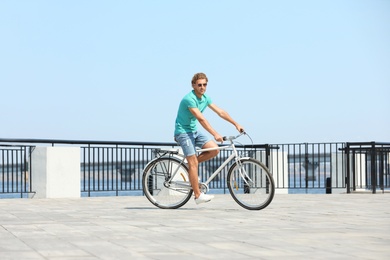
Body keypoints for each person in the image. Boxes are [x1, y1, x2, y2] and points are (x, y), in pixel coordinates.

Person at [174, 72, 244, 204]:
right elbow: (201, 119)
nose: (202, 87)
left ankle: (191, 167)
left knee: (214, 150)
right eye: (199, 85)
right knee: (193, 162)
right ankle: (197, 196)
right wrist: (215, 133)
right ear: (193, 85)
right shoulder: (189, 99)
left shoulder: (205, 98)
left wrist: (236, 124)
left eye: (204, 85)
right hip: (183, 132)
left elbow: (220, 112)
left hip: (194, 131)